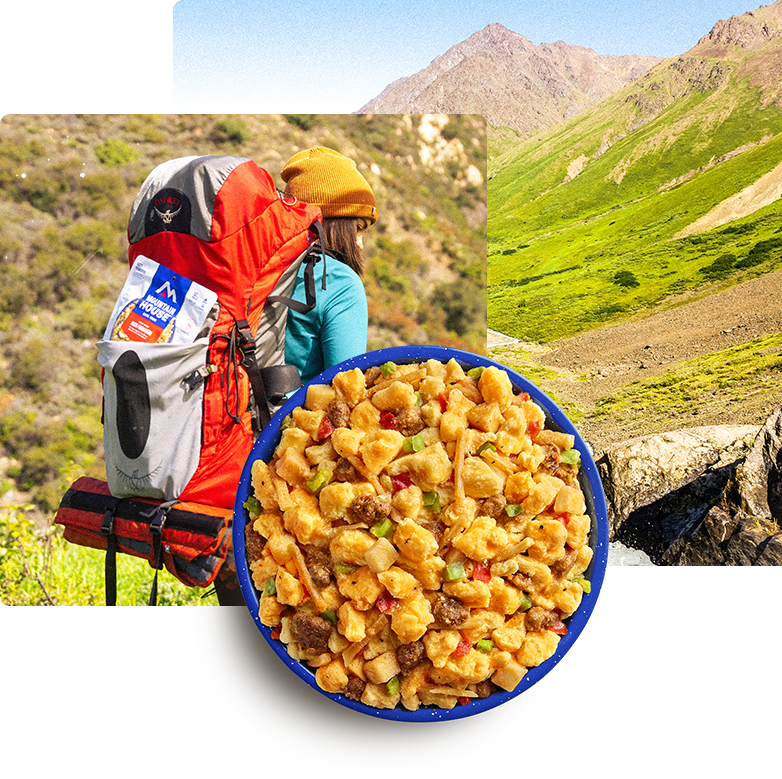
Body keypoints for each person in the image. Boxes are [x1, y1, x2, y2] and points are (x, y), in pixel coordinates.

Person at [280, 146, 378, 384]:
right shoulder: (340, 283)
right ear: (333, 222)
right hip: (290, 420)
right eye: (358, 228)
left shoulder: (263, 265)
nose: (360, 244)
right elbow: (346, 389)